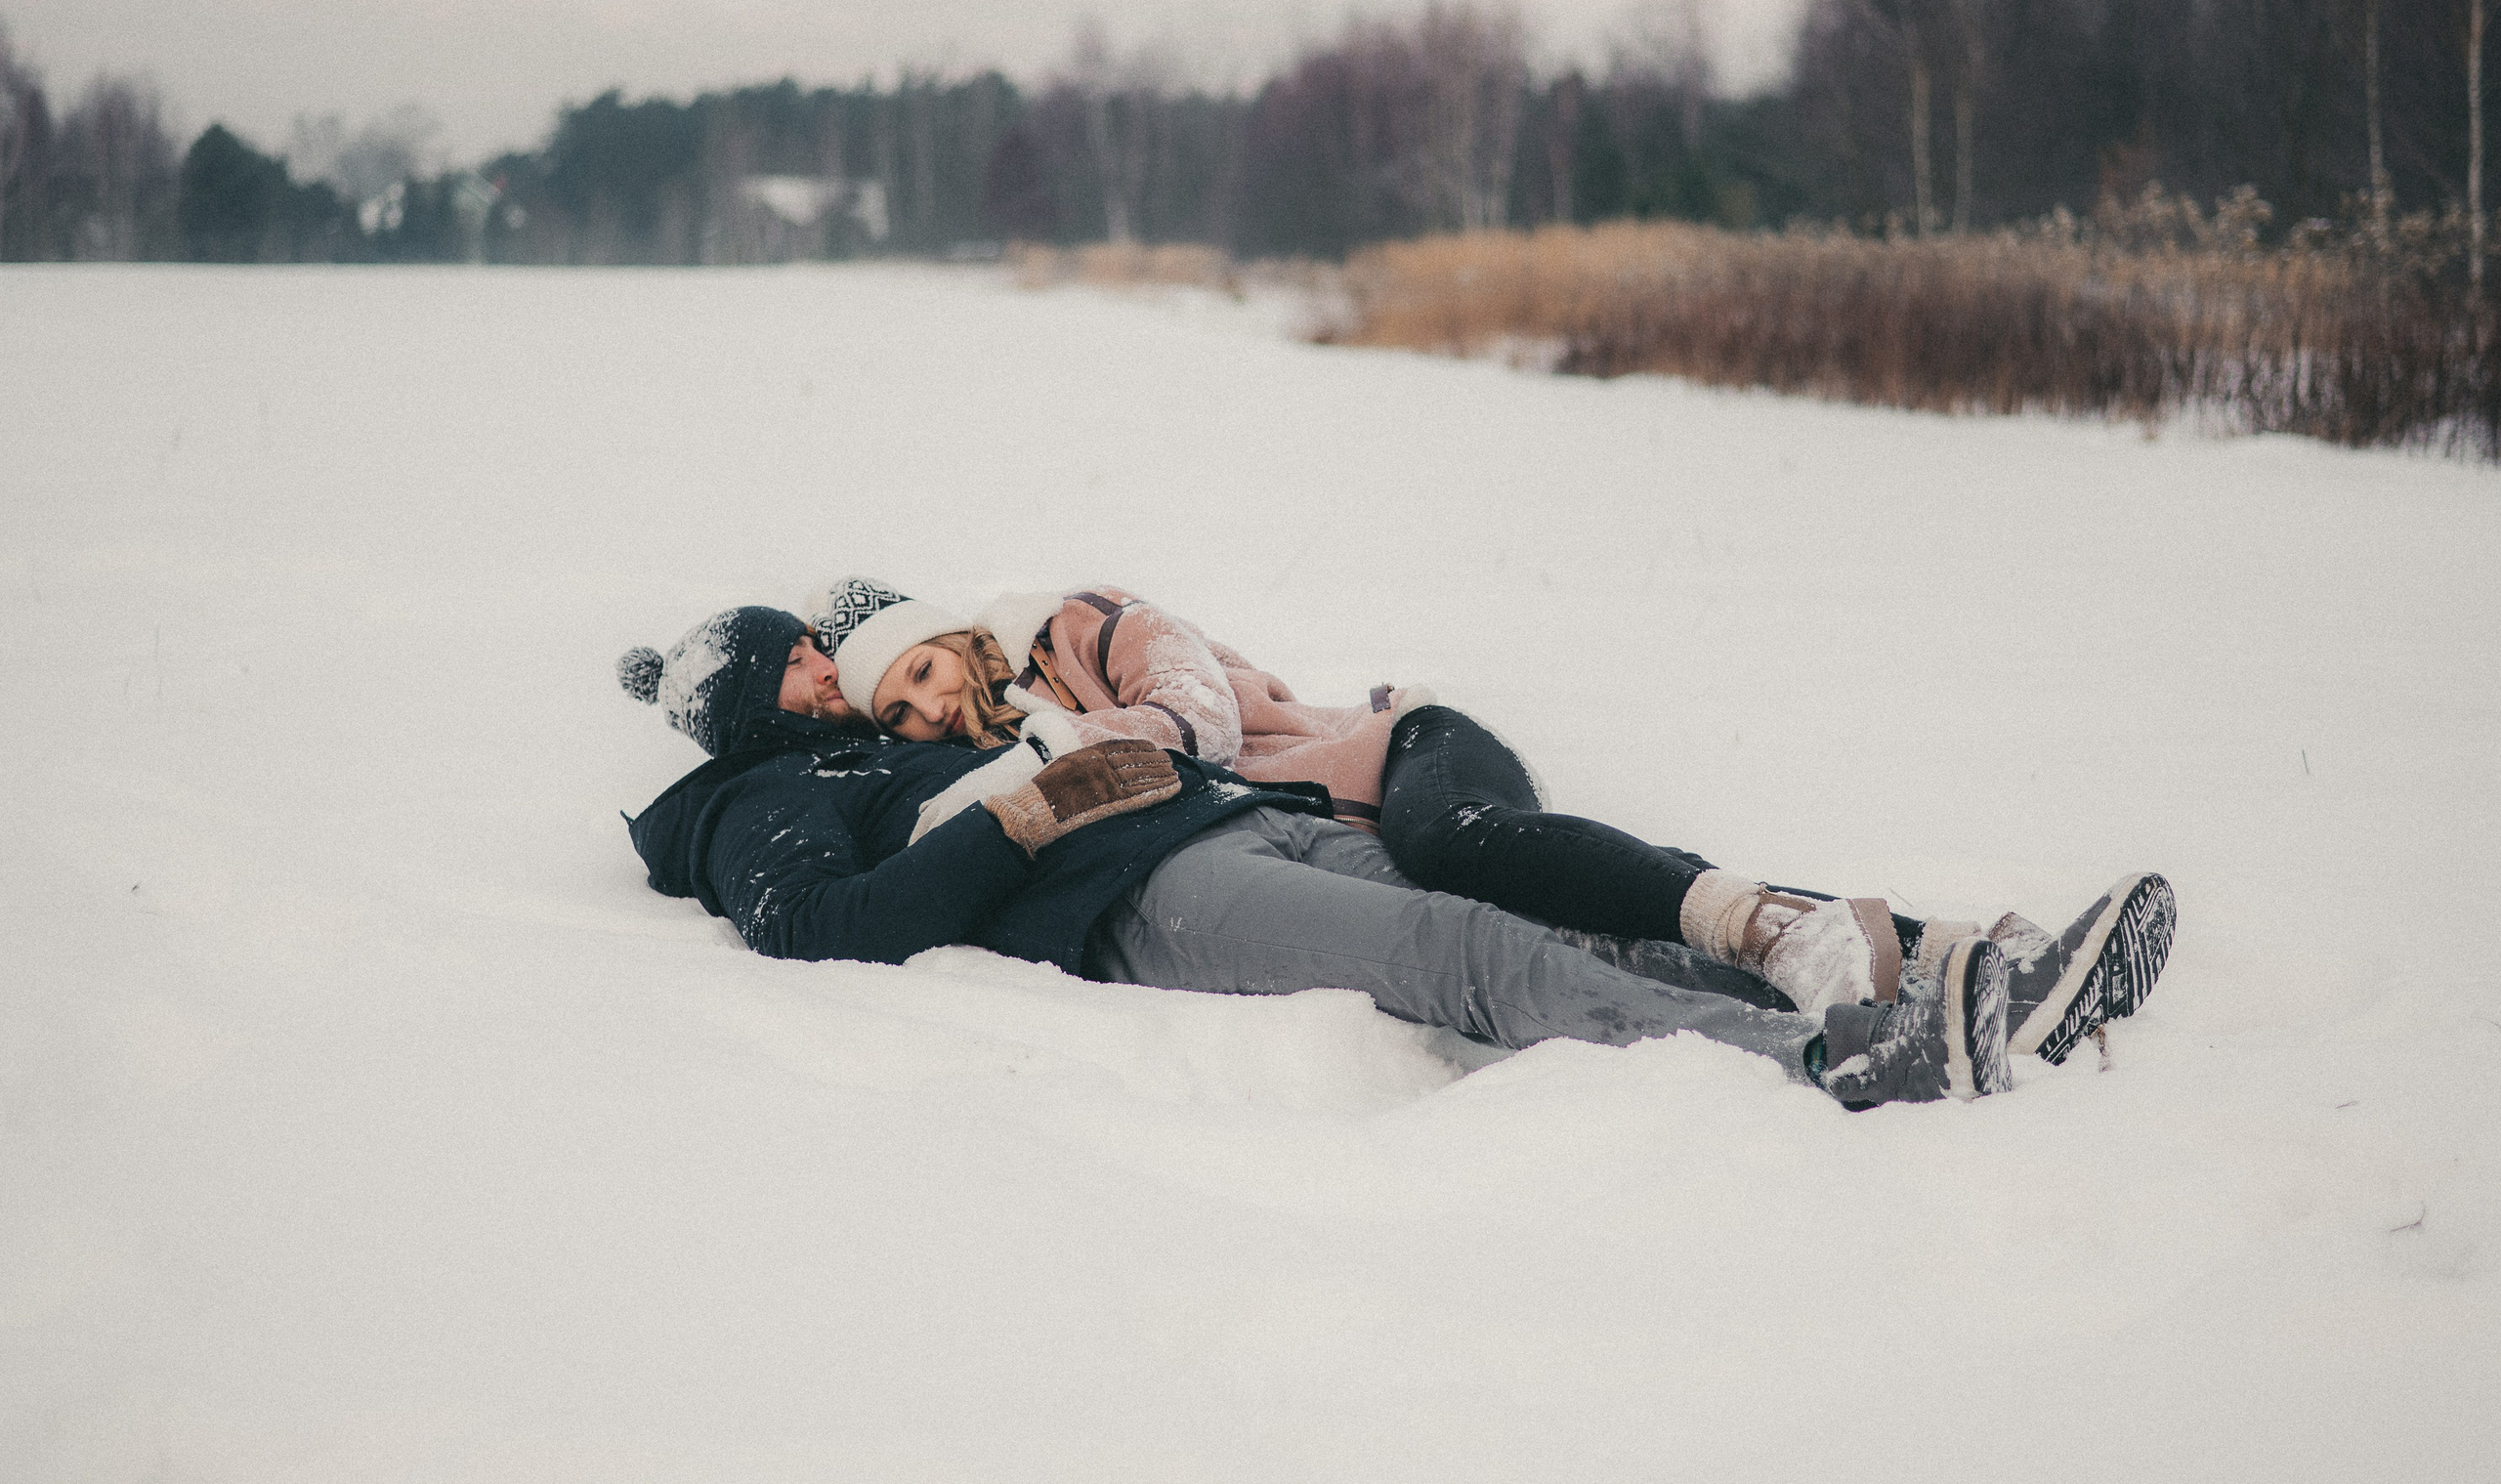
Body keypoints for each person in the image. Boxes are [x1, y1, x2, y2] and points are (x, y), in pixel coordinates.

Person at [614, 604, 2172, 1109]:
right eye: (803, 681)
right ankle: (1826, 1058)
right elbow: (820, 928)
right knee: (1457, 959)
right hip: (1138, 895)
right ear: (748, 719)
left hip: (1223, 819)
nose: (833, 685)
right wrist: (1025, 817)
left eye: (832, 662)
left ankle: (1947, 973)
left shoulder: (914, 719)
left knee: (1511, 909)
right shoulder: (765, 808)